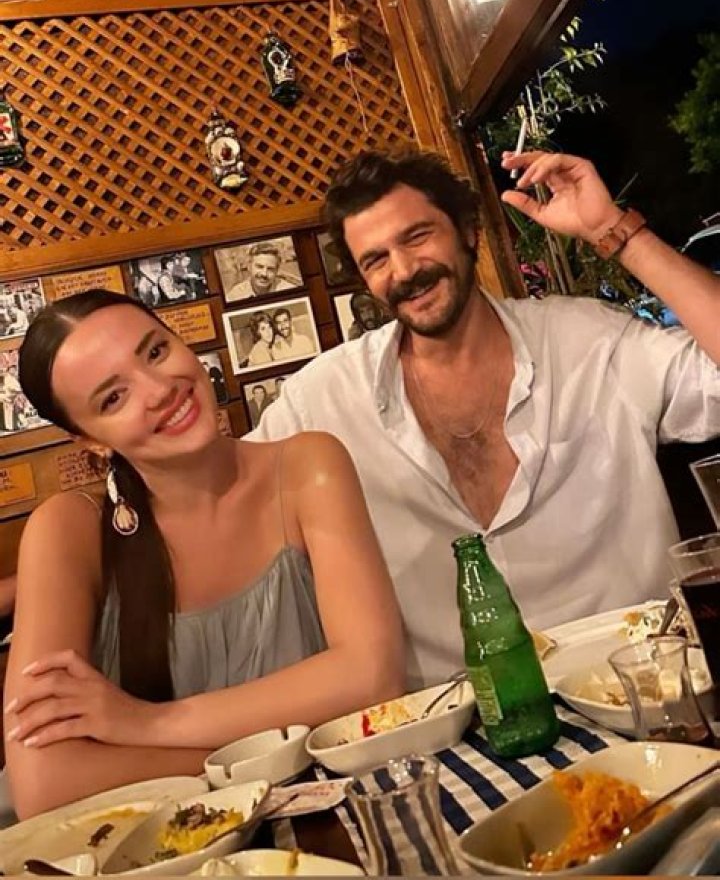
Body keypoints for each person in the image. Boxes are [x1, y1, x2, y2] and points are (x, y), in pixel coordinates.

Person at [252, 149, 720, 690]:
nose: (403, 271)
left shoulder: (590, 341)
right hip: (458, 728)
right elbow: (224, 500)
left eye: (417, 236)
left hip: (649, 693)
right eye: (375, 260)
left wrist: (615, 232)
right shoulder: (322, 400)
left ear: (468, 231)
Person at [3, 290, 403, 819]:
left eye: (155, 351)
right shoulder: (69, 530)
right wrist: (274, 753)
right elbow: (45, 785)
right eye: (114, 398)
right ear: (91, 441)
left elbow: (373, 676)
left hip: (329, 823)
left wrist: (144, 724)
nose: (159, 389)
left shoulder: (308, 467)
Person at [226, 243, 295, 301]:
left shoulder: (289, 291)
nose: (264, 274)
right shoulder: (235, 296)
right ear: (249, 267)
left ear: (276, 271)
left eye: (270, 269)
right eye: (259, 267)